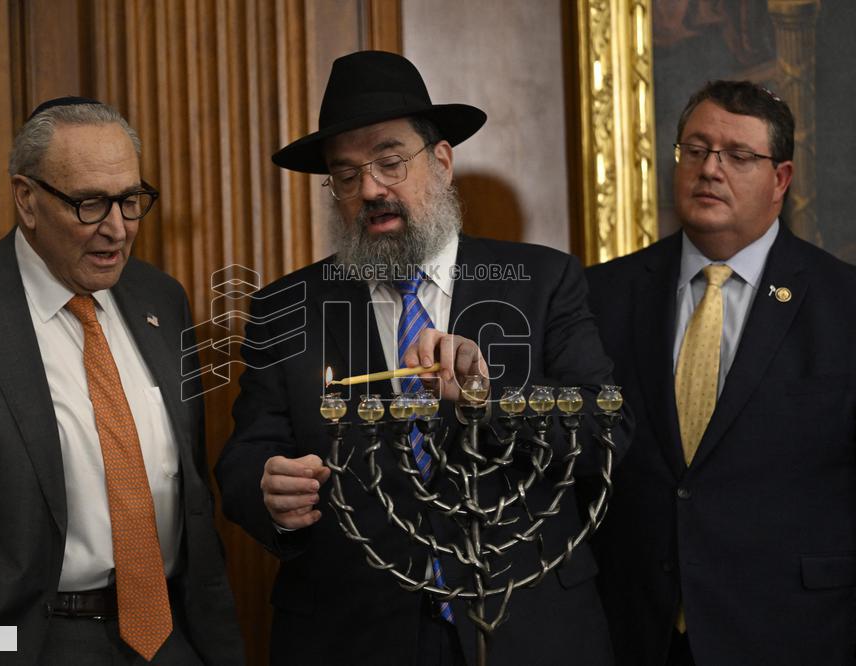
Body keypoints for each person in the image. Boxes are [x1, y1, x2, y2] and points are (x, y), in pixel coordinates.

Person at [215, 50, 630, 666]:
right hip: (352, 634)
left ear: (441, 162)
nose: (371, 190)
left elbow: (607, 435)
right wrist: (268, 490)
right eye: (346, 175)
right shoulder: (287, 306)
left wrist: (490, 403)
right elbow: (245, 457)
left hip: (524, 626)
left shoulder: (541, 282)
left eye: (389, 161)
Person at [0, 97, 243, 665]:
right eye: (89, 204)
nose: (117, 228)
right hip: (18, 644)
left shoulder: (162, 299)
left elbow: (190, 489)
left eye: (131, 200)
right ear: (27, 199)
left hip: (169, 637)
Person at [586, 80, 856, 665]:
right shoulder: (600, 294)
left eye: (737, 156)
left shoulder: (844, 305)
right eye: (696, 150)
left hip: (795, 635)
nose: (710, 169)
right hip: (637, 633)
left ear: (780, 180)